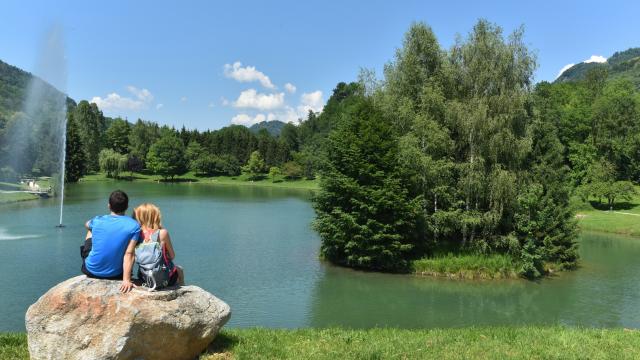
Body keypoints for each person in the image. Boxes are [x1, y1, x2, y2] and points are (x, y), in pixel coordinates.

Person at [80, 190, 141, 293]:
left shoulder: (98, 220)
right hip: (116, 274)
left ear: (109, 206)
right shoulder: (134, 226)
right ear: (127, 206)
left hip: (91, 270)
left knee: (91, 229)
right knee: (129, 243)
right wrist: (126, 280)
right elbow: (129, 254)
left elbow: (86, 224)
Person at [133, 203, 185, 286]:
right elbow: (172, 256)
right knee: (179, 269)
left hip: (144, 278)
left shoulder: (135, 234)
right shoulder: (162, 233)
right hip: (165, 278)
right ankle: (182, 287)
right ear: (155, 216)